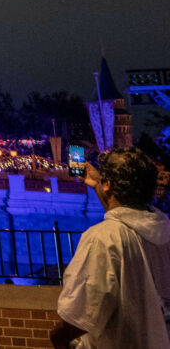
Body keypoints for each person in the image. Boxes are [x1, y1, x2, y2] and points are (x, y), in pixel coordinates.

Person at [50, 147, 170, 349]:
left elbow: (80, 316)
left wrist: (57, 338)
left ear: (109, 185)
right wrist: (99, 184)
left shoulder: (102, 239)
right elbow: (129, 220)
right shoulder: (162, 231)